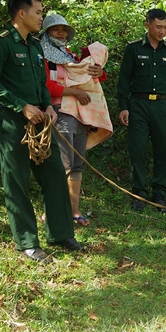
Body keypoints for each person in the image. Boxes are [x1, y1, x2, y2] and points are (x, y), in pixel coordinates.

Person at [0, 0, 84, 263]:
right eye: (38, 12)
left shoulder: (35, 45)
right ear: (21, 13)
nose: (41, 17)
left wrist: (48, 105)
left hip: (41, 121)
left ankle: (61, 234)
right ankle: (27, 242)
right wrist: (21, 106)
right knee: (17, 182)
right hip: (12, 122)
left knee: (53, 175)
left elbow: (40, 84)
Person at [41, 13, 113, 227]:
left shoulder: (69, 55)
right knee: (60, 164)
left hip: (81, 114)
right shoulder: (42, 55)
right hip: (59, 111)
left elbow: (86, 76)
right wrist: (71, 92)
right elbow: (44, 85)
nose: (61, 33)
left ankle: (73, 210)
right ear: (46, 32)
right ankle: (52, 211)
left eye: (64, 30)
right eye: (55, 29)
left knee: (76, 164)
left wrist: (99, 72)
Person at [116, 8, 166, 211]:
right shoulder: (134, 49)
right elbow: (124, 80)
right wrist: (123, 107)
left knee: (162, 149)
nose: (162, 31)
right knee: (137, 149)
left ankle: (159, 195)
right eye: (158, 27)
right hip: (138, 105)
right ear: (147, 24)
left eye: (165, 27)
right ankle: (139, 194)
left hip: (162, 106)